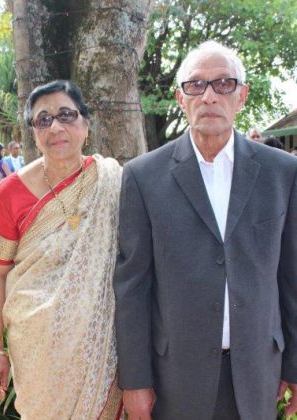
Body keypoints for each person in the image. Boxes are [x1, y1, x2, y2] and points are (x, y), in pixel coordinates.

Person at [114, 40, 297, 420]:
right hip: (175, 379)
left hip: (259, 373)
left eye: (223, 84)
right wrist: (135, 381)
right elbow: (133, 287)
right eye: (196, 85)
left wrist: (295, 366)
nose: (209, 96)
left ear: (241, 96)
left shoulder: (282, 173)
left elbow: (292, 277)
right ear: (181, 98)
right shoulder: (143, 177)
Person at [0, 80, 122, 418]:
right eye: (43, 120)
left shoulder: (112, 180)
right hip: (37, 351)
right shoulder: (9, 193)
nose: (55, 127)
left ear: (85, 124)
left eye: (65, 115)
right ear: (33, 133)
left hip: (99, 345)